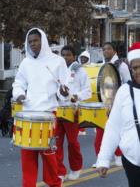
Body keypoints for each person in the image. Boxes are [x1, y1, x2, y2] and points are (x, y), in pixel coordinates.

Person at [12, 28, 70, 187]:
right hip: (28, 113)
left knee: (49, 156)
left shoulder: (58, 62)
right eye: (30, 42)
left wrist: (63, 92)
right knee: (27, 156)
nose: (33, 44)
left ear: (43, 40)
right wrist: (19, 95)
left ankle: (54, 183)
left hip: (47, 114)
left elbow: (64, 89)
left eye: (36, 40)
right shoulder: (26, 63)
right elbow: (18, 83)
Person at [97, 43, 140, 187]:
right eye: (135, 68)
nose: (138, 71)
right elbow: (113, 127)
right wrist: (104, 159)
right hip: (132, 161)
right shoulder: (123, 92)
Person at [93, 42, 132, 167]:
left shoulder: (121, 65)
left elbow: (128, 83)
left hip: (117, 103)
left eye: (108, 49)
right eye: (104, 49)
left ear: (114, 51)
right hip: (105, 104)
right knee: (101, 131)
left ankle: (119, 155)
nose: (105, 51)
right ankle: (101, 158)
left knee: (116, 131)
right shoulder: (103, 65)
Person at [56, 45, 92, 181]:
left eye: (68, 55)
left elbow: (88, 91)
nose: (65, 58)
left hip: (72, 110)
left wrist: (76, 96)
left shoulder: (80, 71)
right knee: (57, 143)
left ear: (74, 56)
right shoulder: (58, 70)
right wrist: (60, 93)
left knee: (72, 142)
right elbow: (55, 88)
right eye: (63, 55)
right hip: (59, 109)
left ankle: (76, 168)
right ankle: (60, 171)